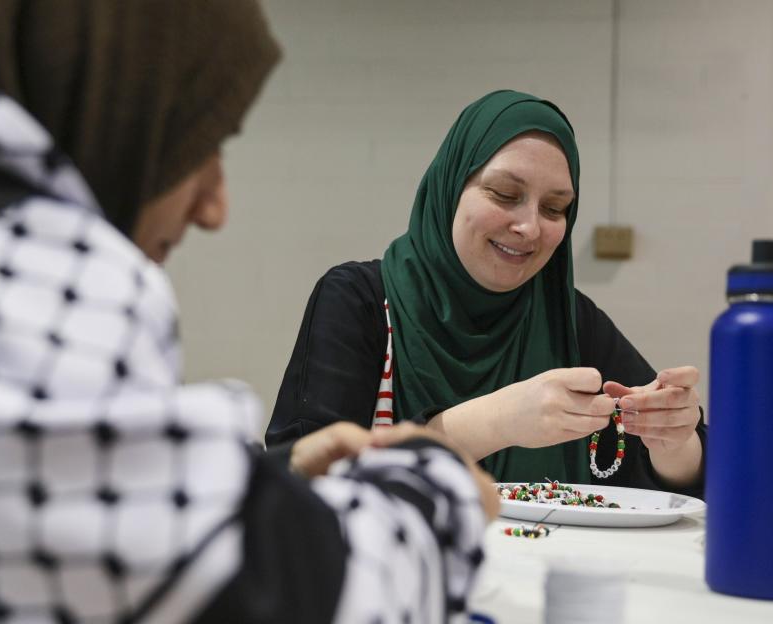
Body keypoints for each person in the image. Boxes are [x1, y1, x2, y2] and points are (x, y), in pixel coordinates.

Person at [0, 2, 497, 623]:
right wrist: (433, 487)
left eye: (560, 207)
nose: (215, 208)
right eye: (195, 138)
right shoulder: (20, 265)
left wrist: (262, 487)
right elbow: (278, 597)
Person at [267, 90, 706, 495]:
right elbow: (299, 478)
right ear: (451, 187)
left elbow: (682, 482)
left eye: (554, 209)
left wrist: (673, 440)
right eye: (504, 194)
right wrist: (497, 420)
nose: (530, 227)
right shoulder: (359, 302)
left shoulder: (568, 319)